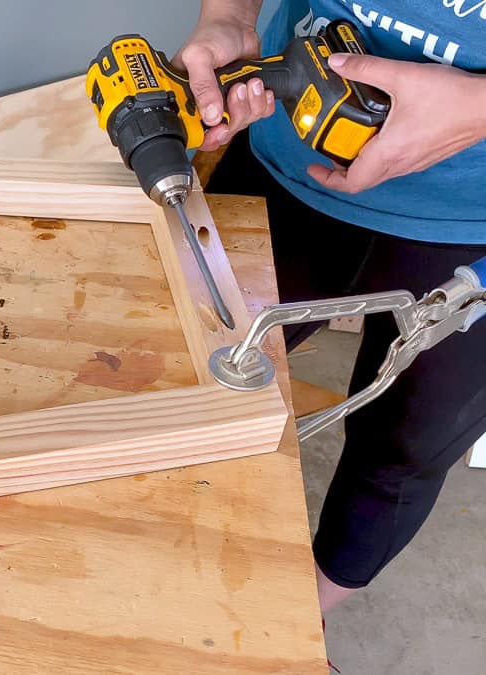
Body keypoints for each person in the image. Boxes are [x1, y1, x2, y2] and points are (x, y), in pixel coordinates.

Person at [174, 0, 486, 613]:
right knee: (191, 382)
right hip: (288, 165)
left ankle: (296, 625)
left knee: (404, 451)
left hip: (473, 226)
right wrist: (229, 16)